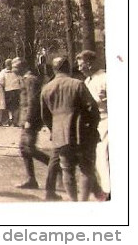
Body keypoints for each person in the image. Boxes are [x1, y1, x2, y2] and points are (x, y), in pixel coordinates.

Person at [40, 55, 101, 201]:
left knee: (67, 169)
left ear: (54, 69)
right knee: (86, 169)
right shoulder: (78, 84)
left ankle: (73, 202)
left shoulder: (46, 89)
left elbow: (45, 116)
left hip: (60, 135)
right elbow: (92, 108)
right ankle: (83, 202)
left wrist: (54, 129)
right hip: (81, 133)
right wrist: (92, 126)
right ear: (68, 67)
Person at [15, 57, 54, 194]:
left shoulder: (30, 79)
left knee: (29, 148)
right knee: (24, 148)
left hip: (30, 120)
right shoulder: (26, 79)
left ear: (23, 66)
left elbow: (32, 101)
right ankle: (31, 179)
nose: (13, 69)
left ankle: (55, 166)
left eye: (15, 66)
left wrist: (29, 119)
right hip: (25, 119)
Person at [76, 50, 109, 198]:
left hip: (106, 120)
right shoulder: (87, 81)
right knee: (97, 158)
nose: (79, 68)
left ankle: (108, 192)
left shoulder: (105, 78)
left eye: (81, 65)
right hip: (93, 124)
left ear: (89, 63)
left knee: (104, 156)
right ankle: (103, 190)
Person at [3, 58, 22, 126]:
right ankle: (15, 120)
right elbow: (20, 79)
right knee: (16, 106)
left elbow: (0, 81)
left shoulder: (3, 72)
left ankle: (11, 118)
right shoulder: (16, 71)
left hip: (8, 90)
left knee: (9, 106)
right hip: (16, 90)